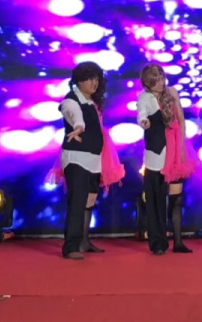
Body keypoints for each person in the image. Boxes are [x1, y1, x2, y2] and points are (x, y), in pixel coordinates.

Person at [49, 61, 125, 260]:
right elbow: (76, 117)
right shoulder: (70, 101)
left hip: (93, 159)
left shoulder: (92, 101)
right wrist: (79, 127)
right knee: (77, 202)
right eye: (90, 78)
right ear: (79, 80)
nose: (94, 82)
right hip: (77, 159)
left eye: (97, 78)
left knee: (89, 200)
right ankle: (70, 246)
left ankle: (84, 240)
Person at [137, 64, 195, 255]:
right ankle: (158, 242)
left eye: (162, 78)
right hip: (156, 156)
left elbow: (181, 121)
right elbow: (141, 114)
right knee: (155, 201)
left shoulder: (171, 93)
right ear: (147, 82)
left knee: (175, 200)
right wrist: (144, 122)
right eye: (156, 80)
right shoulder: (144, 98)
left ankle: (177, 241)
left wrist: (182, 148)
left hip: (175, 151)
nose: (161, 83)